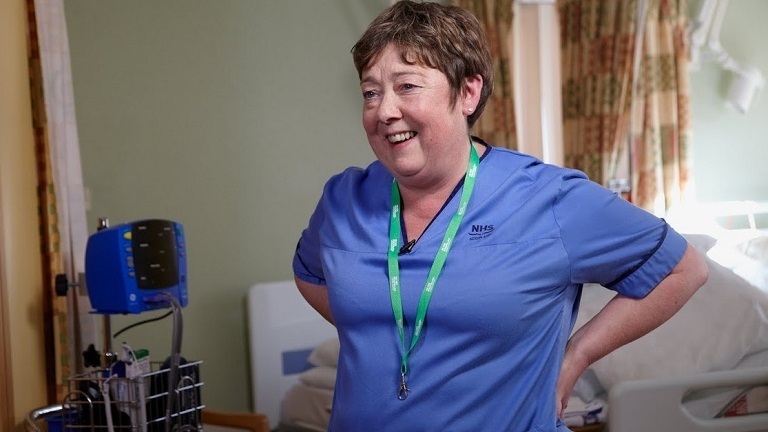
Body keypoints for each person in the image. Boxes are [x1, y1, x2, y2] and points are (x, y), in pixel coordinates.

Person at [292, 1, 709, 431]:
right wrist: (384, 327)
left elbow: (683, 269)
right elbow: (310, 275)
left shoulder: (549, 198)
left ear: (468, 93)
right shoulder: (343, 199)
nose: (384, 111)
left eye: (407, 86)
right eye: (371, 93)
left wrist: (577, 354)